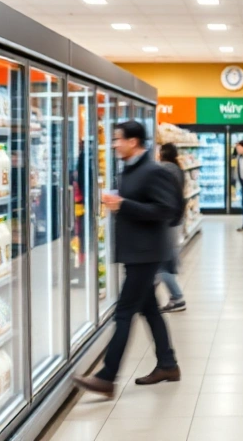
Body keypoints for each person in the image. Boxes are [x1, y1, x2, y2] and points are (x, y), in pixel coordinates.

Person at [72, 121, 181, 397]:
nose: (114, 144)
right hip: (135, 252)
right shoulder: (129, 171)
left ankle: (107, 377)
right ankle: (168, 364)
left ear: (133, 142)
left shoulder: (153, 171)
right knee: (150, 310)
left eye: (119, 139)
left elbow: (165, 210)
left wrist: (124, 205)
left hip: (147, 254)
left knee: (123, 313)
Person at [158, 143, 187, 313]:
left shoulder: (166, 169)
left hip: (168, 220)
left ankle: (177, 297)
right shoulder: (178, 168)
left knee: (163, 262)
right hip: (175, 218)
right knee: (163, 261)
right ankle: (146, 298)